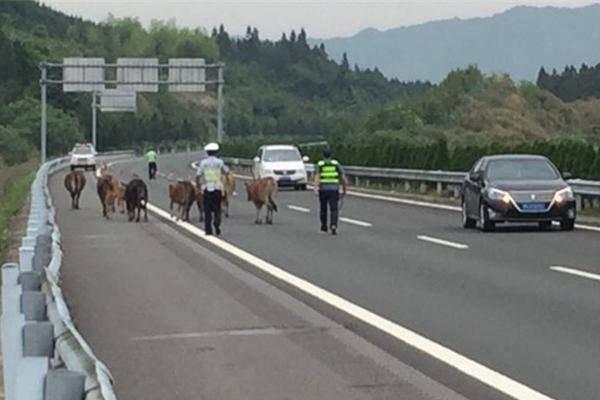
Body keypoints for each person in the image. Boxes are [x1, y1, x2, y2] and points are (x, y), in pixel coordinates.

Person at [196, 142, 229, 236]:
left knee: (207, 210)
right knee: (217, 208)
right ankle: (217, 224)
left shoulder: (203, 163)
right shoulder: (219, 162)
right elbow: (226, 172)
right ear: (216, 152)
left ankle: (208, 229)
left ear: (207, 152)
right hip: (217, 188)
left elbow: (198, 175)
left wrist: (198, 186)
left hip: (207, 188)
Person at [314, 148, 347, 235]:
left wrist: (316, 188)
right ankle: (333, 225)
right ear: (331, 155)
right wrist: (344, 187)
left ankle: (324, 226)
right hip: (334, 189)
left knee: (323, 208)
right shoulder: (335, 163)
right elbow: (343, 176)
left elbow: (317, 176)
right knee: (334, 208)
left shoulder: (320, 164)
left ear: (323, 155)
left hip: (323, 189)